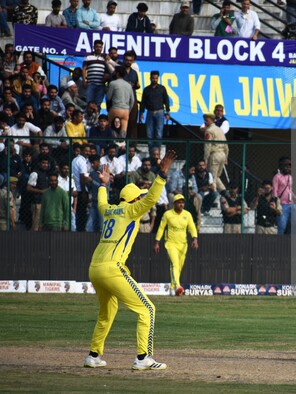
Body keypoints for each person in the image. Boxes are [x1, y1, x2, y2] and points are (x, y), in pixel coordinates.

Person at [83, 149, 176, 370]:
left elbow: (101, 203)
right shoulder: (132, 210)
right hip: (112, 269)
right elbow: (152, 197)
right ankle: (143, 358)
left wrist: (103, 185)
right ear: (134, 198)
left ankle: (93, 355)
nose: (142, 199)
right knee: (148, 310)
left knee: (108, 312)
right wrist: (161, 175)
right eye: (139, 196)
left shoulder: (111, 211)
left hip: (94, 268)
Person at [154, 194, 198, 296]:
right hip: (170, 244)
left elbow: (192, 227)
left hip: (183, 245)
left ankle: (173, 288)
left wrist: (195, 239)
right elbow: (161, 228)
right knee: (175, 264)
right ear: (174, 203)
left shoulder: (187, 215)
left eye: (182, 202)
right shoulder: (168, 214)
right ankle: (178, 286)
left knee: (179, 267)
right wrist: (157, 242)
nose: (181, 204)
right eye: (179, 202)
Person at [139, 71, 170, 151]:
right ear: (150, 78)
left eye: (156, 78)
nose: (155, 80)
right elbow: (143, 102)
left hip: (160, 112)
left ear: (158, 78)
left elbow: (166, 100)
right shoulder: (146, 89)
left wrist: (168, 111)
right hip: (150, 112)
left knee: (159, 134)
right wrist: (141, 113)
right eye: (153, 78)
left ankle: (157, 152)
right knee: (149, 134)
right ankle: (151, 152)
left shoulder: (162, 88)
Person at [203, 113, 228, 197]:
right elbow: (226, 145)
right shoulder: (220, 130)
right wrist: (226, 157)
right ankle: (225, 193)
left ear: (211, 120)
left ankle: (214, 197)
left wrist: (205, 160)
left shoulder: (209, 130)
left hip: (214, 155)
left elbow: (207, 146)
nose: (205, 122)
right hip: (222, 154)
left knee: (212, 177)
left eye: (207, 120)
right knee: (217, 176)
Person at [273, 156, 296, 234]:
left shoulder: (290, 177)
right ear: (281, 166)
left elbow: (289, 190)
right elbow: (274, 191)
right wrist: (276, 204)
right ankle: (280, 242)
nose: (288, 168)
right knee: (282, 226)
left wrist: (295, 197)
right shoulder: (277, 177)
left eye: (289, 166)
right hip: (282, 205)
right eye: (286, 166)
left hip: (291, 204)